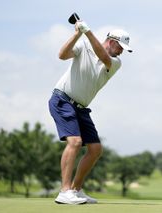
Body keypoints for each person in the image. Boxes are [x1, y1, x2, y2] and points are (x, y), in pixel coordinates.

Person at [48, 20, 132, 205]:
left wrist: (88, 32)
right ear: (111, 41)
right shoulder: (84, 45)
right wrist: (78, 34)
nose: (121, 51)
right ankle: (64, 191)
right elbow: (62, 55)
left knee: (95, 149)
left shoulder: (115, 62)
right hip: (62, 100)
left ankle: (76, 190)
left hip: (81, 108)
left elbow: (102, 56)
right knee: (75, 142)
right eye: (120, 47)